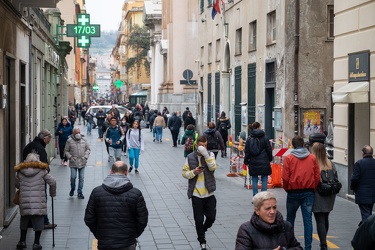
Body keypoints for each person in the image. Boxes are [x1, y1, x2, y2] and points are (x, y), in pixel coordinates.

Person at [84, 161, 148, 250]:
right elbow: (142, 219)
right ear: (126, 172)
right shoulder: (135, 193)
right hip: (127, 243)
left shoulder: (97, 192)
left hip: (105, 242)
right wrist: (133, 234)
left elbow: (89, 218)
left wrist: (99, 234)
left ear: (110, 171)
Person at [282, 135, 320, 250]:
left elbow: (285, 177)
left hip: (293, 192)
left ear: (293, 146)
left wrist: (287, 188)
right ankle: (308, 247)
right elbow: (317, 176)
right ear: (304, 145)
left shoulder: (289, 158)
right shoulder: (312, 158)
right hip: (308, 192)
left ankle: (289, 245)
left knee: (290, 220)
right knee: (308, 220)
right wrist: (313, 188)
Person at [15, 152, 57, 250]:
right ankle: (36, 243)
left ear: (26, 160)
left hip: (25, 201)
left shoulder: (20, 171)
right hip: (38, 201)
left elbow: (17, 185)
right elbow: (53, 182)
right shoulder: (42, 171)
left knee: (24, 221)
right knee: (38, 221)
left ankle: (22, 241)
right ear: (37, 160)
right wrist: (52, 193)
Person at [182, 136, 217, 250]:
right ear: (197, 145)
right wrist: (194, 172)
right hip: (196, 194)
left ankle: (203, 229)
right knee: (198, 219)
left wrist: (206, 154)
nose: (204, 147)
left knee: (211, 217)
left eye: (206, 145)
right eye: (202, 146)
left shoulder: (210, 155)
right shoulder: (190, 157)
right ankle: (202, 241)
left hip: (209, 193)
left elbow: (212, 168)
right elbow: (184, 173)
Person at [235, 191, 302, 250]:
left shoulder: (286, 226)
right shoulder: (246, 230)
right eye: (268, 208)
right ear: (257, 211)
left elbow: (297, 247)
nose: (272, 212)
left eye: (274, 207)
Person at [22, 129, 56, 229]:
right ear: (44, 139)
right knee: (41, 201)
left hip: (25, 179)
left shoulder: (28, 146)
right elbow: (44, 167)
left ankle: (28, 223)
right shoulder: (41, 149)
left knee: (27, 201)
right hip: (38, 180)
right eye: (49, 139)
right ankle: (44, 222)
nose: (49, 141)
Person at [311, 142, 338, 250]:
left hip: (318, 194)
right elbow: (335, 177)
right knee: (325, 217)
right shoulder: (330, 163)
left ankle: (323, 244)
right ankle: (323, 240)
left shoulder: (314, 164)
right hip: (330, 194)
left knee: (319, 220)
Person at [244, 122, 273, 196]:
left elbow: (247, 151)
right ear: (259, 127)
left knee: (254, 178)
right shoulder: (265, 137)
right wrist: (270, 158)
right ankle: (263, 196)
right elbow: (269, 149)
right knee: (264, 178)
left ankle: (255, 196)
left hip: (253, 161)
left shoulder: (249, 138)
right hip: (264, 160)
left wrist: (246, 161)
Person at [350, 145, 375, 225]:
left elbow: (354, 179)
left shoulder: (359, 163)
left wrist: (353, 188)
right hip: (373, 193)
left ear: (363, 153)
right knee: (369, 212)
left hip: (362, 193)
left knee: (365, 215)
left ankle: (367, 233)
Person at [64, 128, 91, 199]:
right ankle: (72, 188)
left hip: (82, 162)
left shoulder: (84, 140)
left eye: (79, 132)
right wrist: (70, 157)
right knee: (73, 177)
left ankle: (80, 191)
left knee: (81, 177)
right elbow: (66, 151)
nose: (78, 134)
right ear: (73, 133)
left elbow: (88, 149)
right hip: (73, 162)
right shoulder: (69, 141)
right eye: (76, 133)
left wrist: (85, 157)